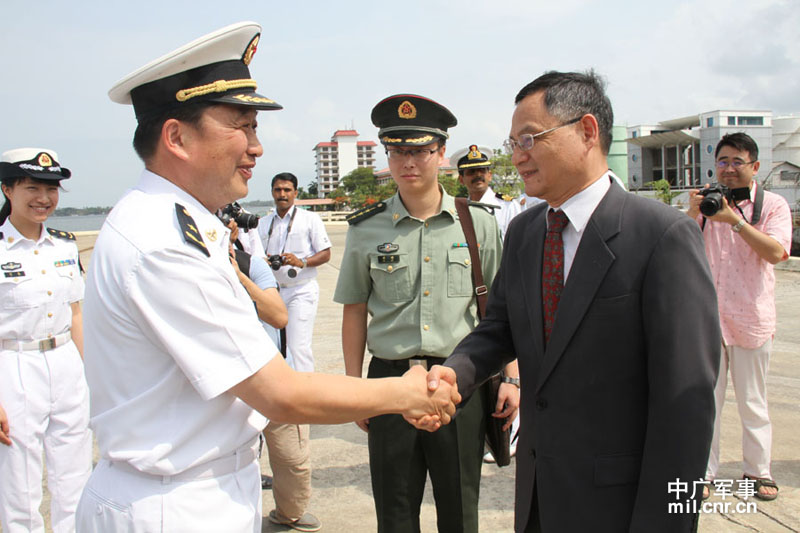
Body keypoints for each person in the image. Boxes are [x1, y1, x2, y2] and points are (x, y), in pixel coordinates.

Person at [76, 22, 459, 533]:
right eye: (242, 126)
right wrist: (403, 394)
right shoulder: (164, 243)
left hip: (198, 490)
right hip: (172, 505)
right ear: (177, 137)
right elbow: (278, 393)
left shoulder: (177, 223)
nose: (257, 147)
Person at [422, 71, 721, 532]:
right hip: (539, 497)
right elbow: (500, 327)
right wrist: (455, 371)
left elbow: (686, 405)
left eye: (529, 139)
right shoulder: (525, 231)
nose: (517, 157)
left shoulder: (661, 236)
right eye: (512, 142)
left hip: (618, 506)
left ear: (587, 131)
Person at [334, 94, 519, 533]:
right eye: (397, 151)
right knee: (394, 514)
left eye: (419, 150)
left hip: (461, 381)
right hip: (389, 381)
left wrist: (512, 377)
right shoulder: (366, 229)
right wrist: (353, 386)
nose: (407, 162)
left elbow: (500, 309)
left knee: (459, 510)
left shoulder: (478, 224)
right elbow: (355, 311)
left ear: (441, 153)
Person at [687, 132, 792, 501]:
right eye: (723, 161)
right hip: (708, 321)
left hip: (750, 319)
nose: (729, 169)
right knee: (706, 401)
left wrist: (734, 221)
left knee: (753, 400)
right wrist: (692, 213)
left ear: (755, 167)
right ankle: (704, 472)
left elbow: (777, 252)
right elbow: (677, 249)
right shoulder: (706, 207)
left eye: (737, 162)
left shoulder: (773, 206)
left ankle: (758, 472)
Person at [0, 148, 91, 533]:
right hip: (13, 365)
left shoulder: (65, 246)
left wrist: (90, 376)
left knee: (76, 478)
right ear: (7, 190)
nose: (44, 198)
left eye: (51, 189)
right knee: (18, 487)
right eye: (32, 187)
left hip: (66, 361)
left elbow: (76, 314)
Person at [229, 221, 321, 532]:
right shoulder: (188, 270)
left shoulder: (253, 266)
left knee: (292, 458)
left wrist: (238, 277)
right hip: (229, 386)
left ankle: (289, 513)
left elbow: (278, 315)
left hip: (274, 374)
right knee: (233, 462)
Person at [257, 172, 331, 372]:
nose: (282, 194)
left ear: (295, 193)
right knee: (273, 347)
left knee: (298, 347)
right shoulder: (262, 224)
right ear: (272, 192)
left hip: (301, 290)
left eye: (287, 190)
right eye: (278, 190)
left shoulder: (309, 219)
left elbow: (325, 254)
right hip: (272, 292)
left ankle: (307, 395)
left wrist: (302, 262)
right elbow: (254, 256)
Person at [450, 144, 521, 238]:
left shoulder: (508, 206)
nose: (478, 175)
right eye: (471, 172)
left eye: (482, 170)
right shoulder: (458, 211)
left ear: (490, 176)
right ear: (461, 180)